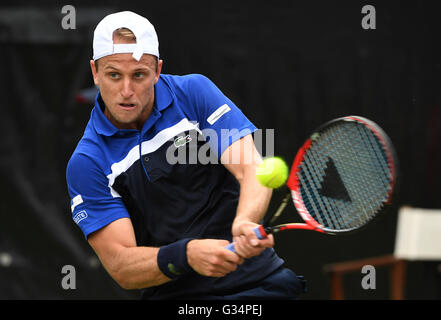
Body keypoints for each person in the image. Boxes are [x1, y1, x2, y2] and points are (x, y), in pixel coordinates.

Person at [66, 11, 305, 299]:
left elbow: (251, 167)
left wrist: (245, 221)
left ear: (157, 70)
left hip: (261, 283)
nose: (126, 91)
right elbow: (121, 265)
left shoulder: (194, 93)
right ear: (95, 73)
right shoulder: (88, 163)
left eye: (139, 74)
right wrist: (186, 255)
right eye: (114, 75)